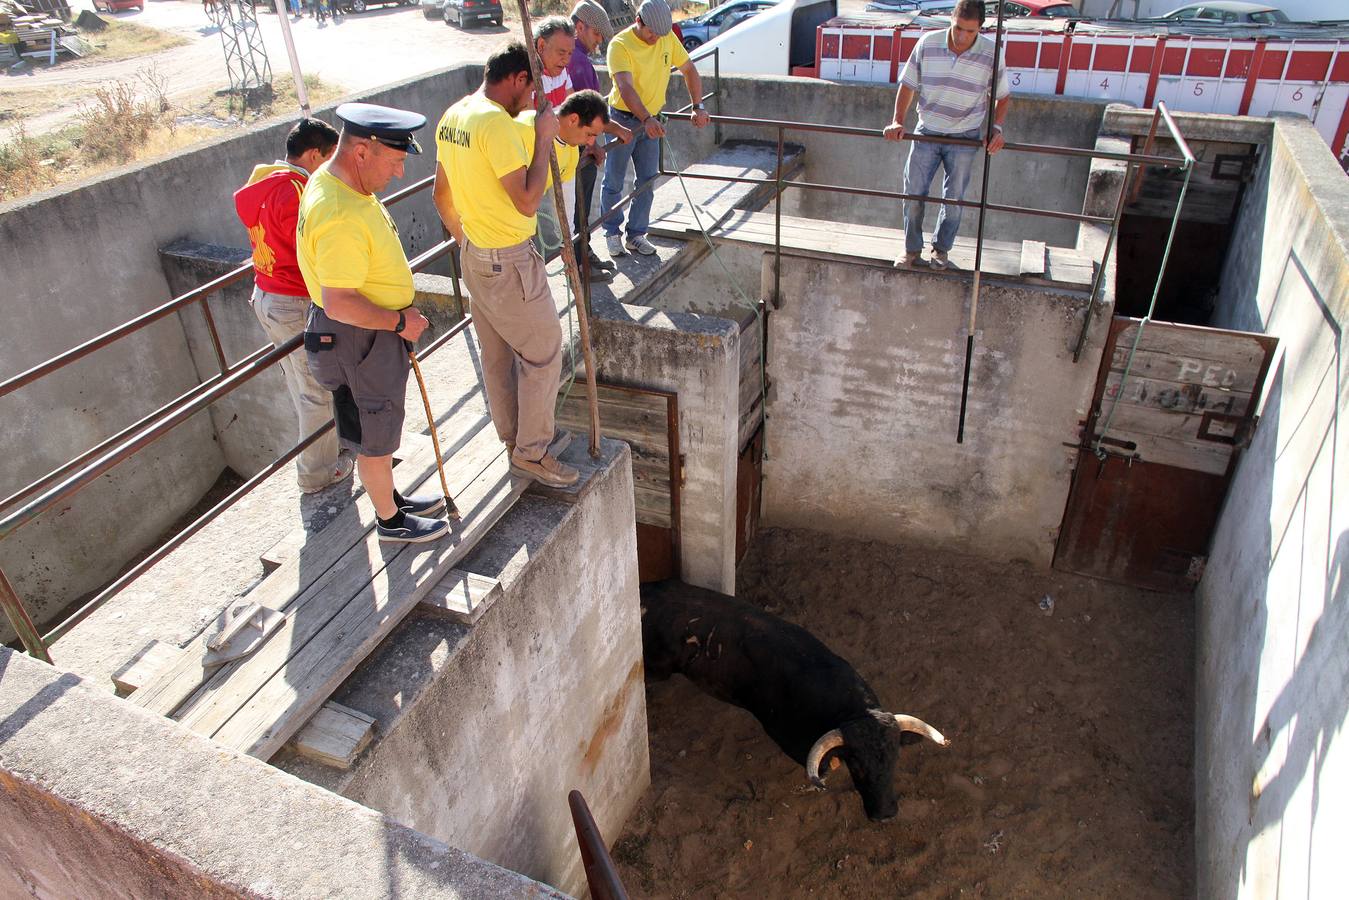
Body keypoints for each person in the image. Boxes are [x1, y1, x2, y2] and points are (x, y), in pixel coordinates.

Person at [298, 103, 450, 544]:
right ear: (362, 152)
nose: (400, 173)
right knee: (374, 430)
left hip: (362, 335)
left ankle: (391, 500)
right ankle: (390, 521)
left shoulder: (335, 184)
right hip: (361, 336)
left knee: (376, 425)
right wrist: (399, 321)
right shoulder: (340, 213)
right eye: (396, 161)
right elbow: (341, 301)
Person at [432, 42, 578, 489]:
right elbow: (528, 200)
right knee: (545, 351)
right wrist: (543, 138)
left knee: (496, 357)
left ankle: (516, 438)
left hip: (476, 256)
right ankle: (532, 454)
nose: (532, 101)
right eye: (531, 90)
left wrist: (470, 243)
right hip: (508, 259)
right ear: (516, 79)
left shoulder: (454, 115)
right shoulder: (495, 124)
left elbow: (441, 194)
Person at [234, 117, 354, 495]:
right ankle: (316, 475)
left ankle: (330, 451)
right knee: (315, 391)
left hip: (268, 295)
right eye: (331, 158)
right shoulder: (296, 192)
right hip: (293, 300)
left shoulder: (264, 184)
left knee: (304, 384)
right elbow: (314, 247)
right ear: (315, 154)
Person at [883, 0, 1011, 270]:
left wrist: (996, 129)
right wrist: (897, 121)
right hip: (927, 129)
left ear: (980, 29)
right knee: (914, 193)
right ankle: (911, 250)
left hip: (965, 135)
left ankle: (941, 251)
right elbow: (908, 85)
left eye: (970, 32)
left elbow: (1003, 97)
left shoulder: (992, 53)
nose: (962, 36)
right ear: (951, 20)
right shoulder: (928, 43)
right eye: (958, 28)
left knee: (954, 199)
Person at [599, 0, 710, 259]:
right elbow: (625, 88)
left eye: (660, 35)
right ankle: (612, 233)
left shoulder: (666, 38)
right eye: (651, 33)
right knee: (614, 180)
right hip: (623, 119)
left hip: (652, 119)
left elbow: (689, 69)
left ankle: (636, 234)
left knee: (648, 179)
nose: (655, 39)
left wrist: (698, 105)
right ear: (638, 21)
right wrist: (646, 119)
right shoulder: (620, 45)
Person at [567, 0, 632, 282]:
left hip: (576, 143)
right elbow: (589, 113)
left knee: (577, 207)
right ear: (579, 27)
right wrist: (596, 143)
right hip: (579, 146)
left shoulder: (574, 59)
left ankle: (583, 253)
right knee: (578, 206)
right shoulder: (578, 62)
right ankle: (580, 262)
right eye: (596, 34)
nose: (600, 41)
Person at [516, 90, 611, 261]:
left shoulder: (572, 150)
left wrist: (566, 243)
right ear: (573, 119)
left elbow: (564, 200)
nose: (591, 142)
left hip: (522, 225)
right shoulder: (524, 130)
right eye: (589, 134)